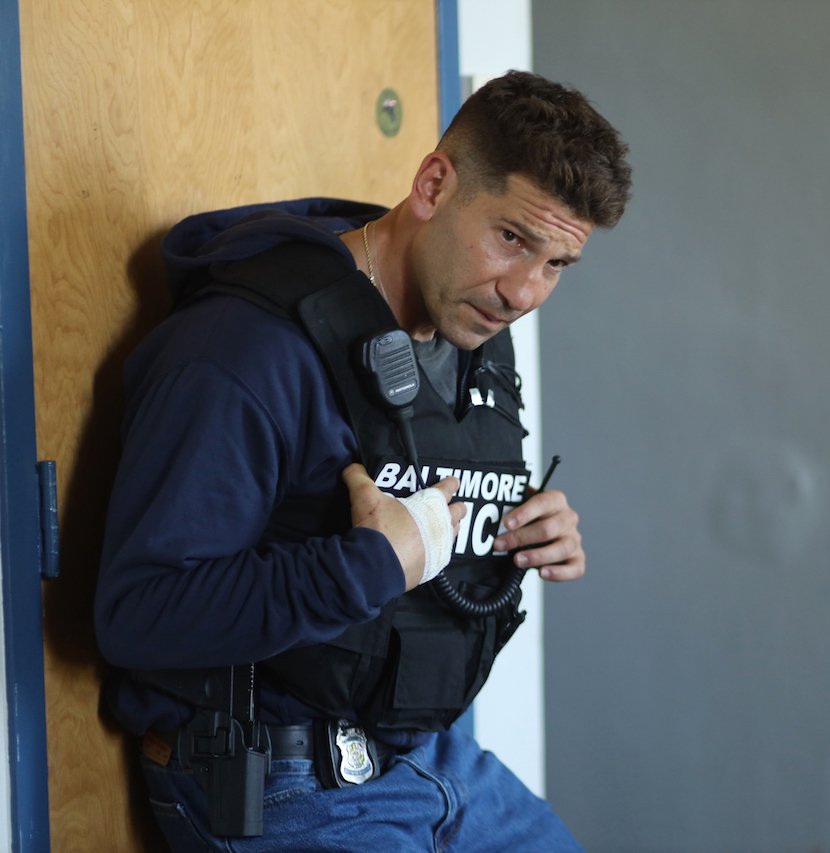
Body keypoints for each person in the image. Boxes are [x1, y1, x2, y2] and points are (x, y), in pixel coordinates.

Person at [93, 70, 631, 851]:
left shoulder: (469, 324)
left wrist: (512, 531)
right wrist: (366, 565)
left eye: (556, 265)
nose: (523, 291)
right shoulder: (245, 350)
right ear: (434, 183)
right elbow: (137, 613)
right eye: (512, 237)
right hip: (277, 779)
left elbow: (415, 534)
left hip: (432, 760)